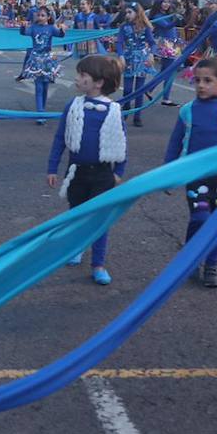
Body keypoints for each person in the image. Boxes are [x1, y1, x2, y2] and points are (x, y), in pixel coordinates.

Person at [164, 56, 217, 289]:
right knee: (200, 217)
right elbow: (175, 143)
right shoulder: (188, 111)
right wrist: (168, 174)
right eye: (197, 80)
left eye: (208, 80)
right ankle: (191, 260)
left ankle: (211, 265)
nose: (201, 85)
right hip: (196, 177)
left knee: (216, 223)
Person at [46, 54, 128, 286]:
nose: (77, 78)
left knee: (100, 219)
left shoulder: (113, 110)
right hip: (77, 172)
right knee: (77, 214)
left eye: (82, 75)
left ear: (98, 82)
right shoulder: (72, 106)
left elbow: (121, 141)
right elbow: (60, 138)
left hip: (103, 174)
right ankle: (77, 247)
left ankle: (98, 264)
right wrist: (52, 167)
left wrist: (118, 172)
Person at [18, 6, 66, 119]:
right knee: (39, 86)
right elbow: (24, 32)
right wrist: (22, 26)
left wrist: (63, 29)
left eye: (43, 15)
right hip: (36, 58)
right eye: (38, 15)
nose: (40, 17)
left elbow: (60, 35)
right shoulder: (33, 27)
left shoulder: (51, 28)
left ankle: (42, 111)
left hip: (48, 59)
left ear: (48, 17)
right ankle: (40, 112)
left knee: (45, 86)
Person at [115, 2, 157, 128]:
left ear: (137, 13)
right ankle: (127, 106)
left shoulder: (145, 27)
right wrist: (121, 55)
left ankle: (137, 116)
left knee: (139, 90)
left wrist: (151, 54)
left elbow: (152, 43)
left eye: (130, 12)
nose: (127, 15)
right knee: (127, 89)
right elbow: (119, 42)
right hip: (128, 59)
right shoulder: (123, 27)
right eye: (126, 12)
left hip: (142, 60)